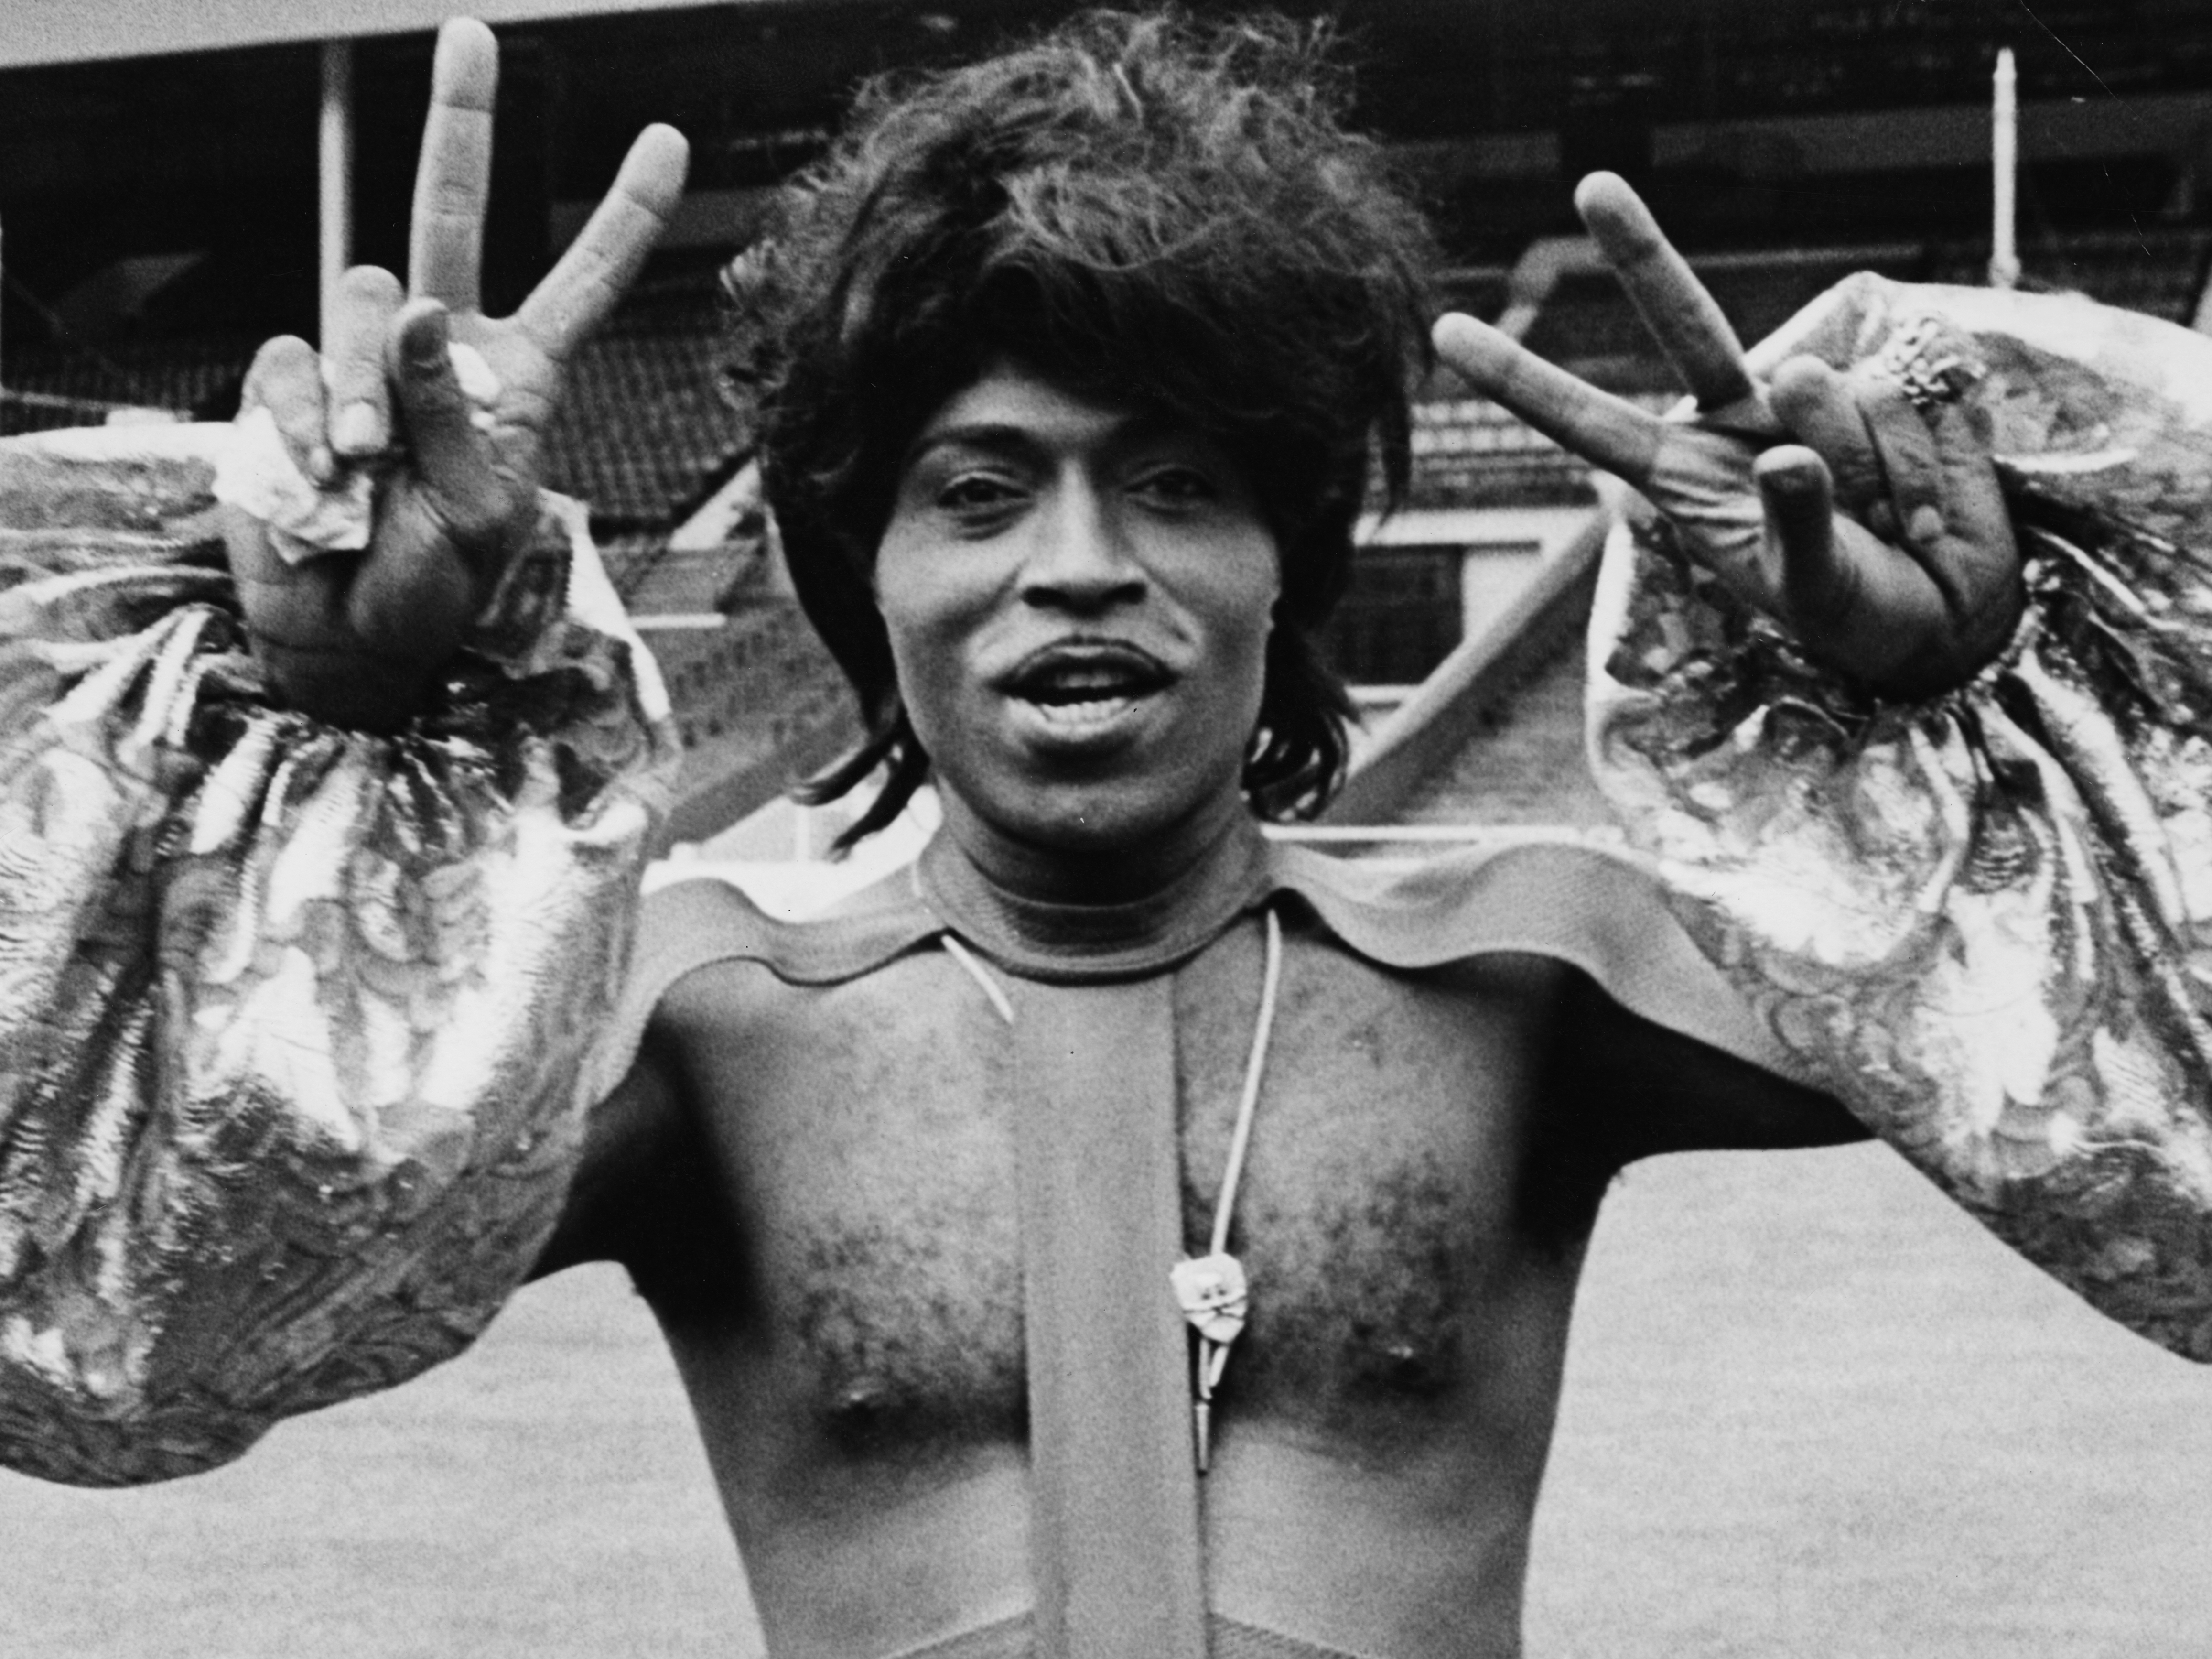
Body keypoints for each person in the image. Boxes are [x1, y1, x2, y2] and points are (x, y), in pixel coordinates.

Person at [1, 12, 2207, 1659]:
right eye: (980, 489)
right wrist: (319, 721)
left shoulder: (1531, 977)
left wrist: (1973, 686)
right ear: (865, 567)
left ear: (1290, 559)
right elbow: (117, 1283)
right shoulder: (706, 1025)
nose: (1079, 564)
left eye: (1177, 481)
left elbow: (2145, 1079)